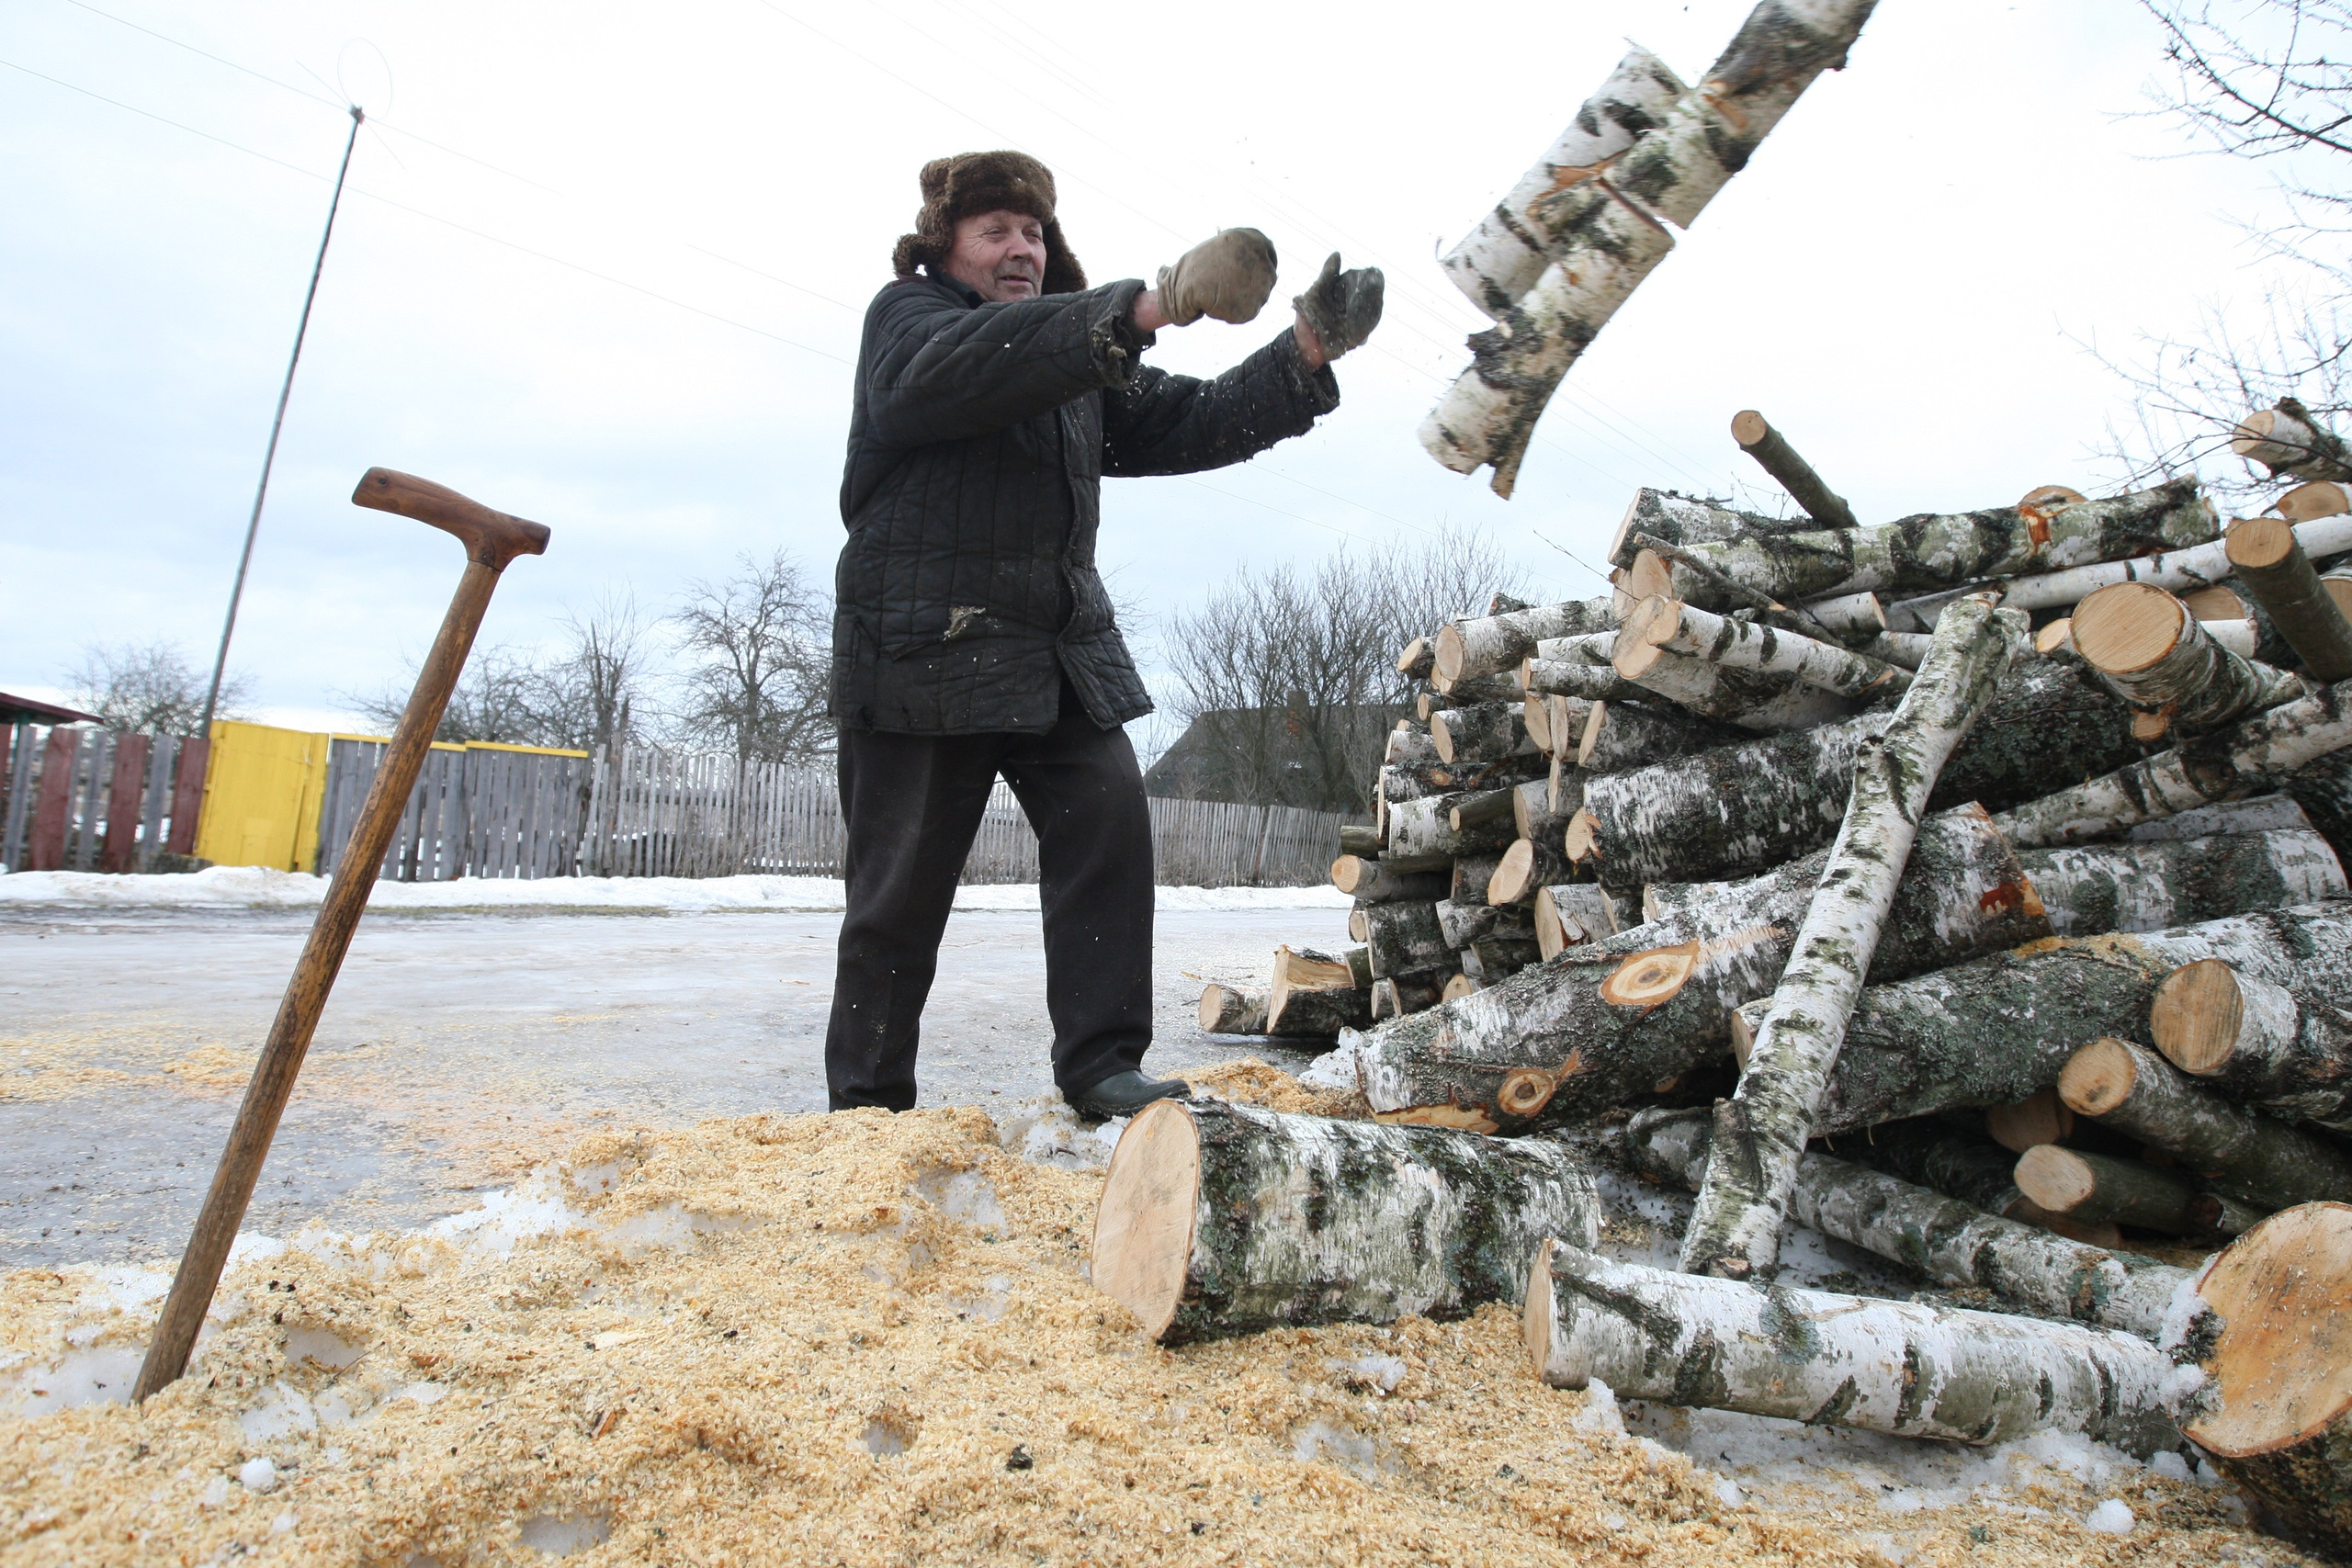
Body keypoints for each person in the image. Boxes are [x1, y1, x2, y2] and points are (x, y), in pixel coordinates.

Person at [826, 150, 1383, 1119]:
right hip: (923, 652)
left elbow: (1192, 420)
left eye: (1033, 232)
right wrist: (1151, 303)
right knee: (898, 900)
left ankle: (1100, 1065)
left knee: (1109, 835)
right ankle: (868, 1110)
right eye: (994, 231)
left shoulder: (1073, 369)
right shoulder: (906, 323)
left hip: (1054, 654)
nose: (1020, 249)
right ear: (942, 246)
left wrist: (1302, 353)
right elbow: (967, 369)